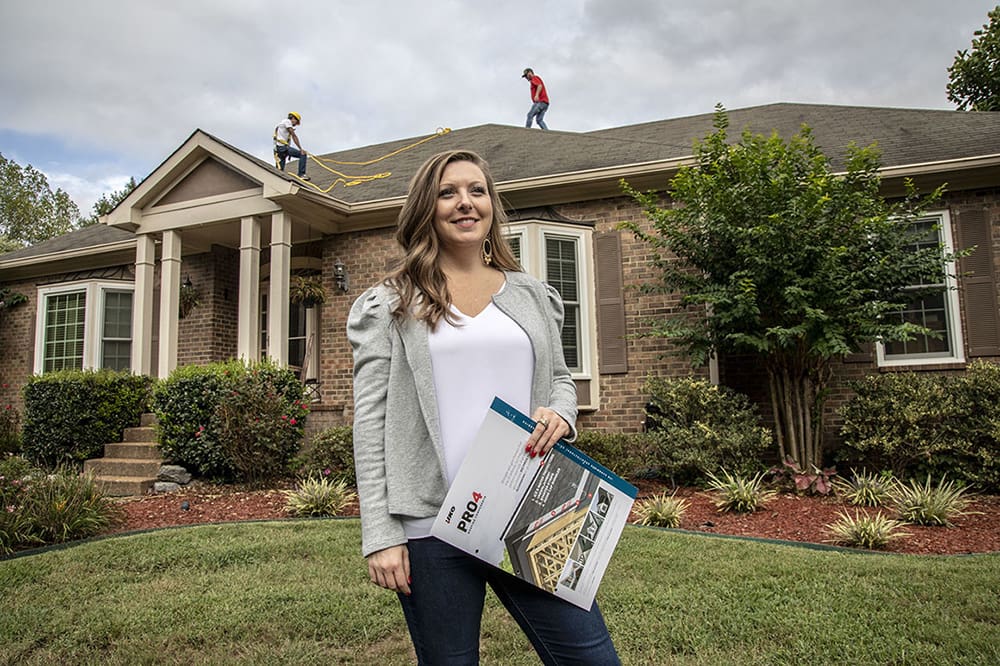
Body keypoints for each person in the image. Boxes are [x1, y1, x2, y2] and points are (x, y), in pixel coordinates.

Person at [348, 149, 620, 665]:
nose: (465, 203)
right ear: (427, 208)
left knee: (590, 657)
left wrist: (562, 414)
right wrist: (380, 533)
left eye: (476, 190)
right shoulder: (390, 303)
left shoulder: (533, 295)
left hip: (529, 510)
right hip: (429, 527)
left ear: (492, 204)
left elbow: (561, 381)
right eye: (448, 192)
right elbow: (371, 422)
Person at [273, 111, 310, 180]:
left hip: (279, 149)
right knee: (302, 154)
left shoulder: (282, 124)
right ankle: (301, 174)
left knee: (279, 172)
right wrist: (301, 149)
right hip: (282, 148)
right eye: (296, 122)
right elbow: (294, 136)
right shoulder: (287, 121)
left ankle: (277, 180)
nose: (295, 124)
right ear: (293, 118)